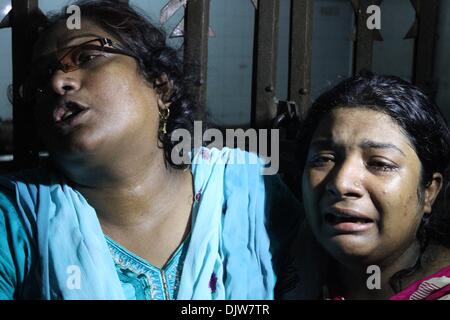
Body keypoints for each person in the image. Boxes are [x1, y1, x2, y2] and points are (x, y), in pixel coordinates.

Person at [0, 0, 298, 300]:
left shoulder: (251, 192)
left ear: (161, 86)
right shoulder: (15, 219)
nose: (57, 81)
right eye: (41, 78)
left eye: (88, 56)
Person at [282, 72, 450, 300]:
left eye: (380, 163)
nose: (341, 183)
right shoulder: (269, 258)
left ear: (429, 191)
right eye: (323, 159)